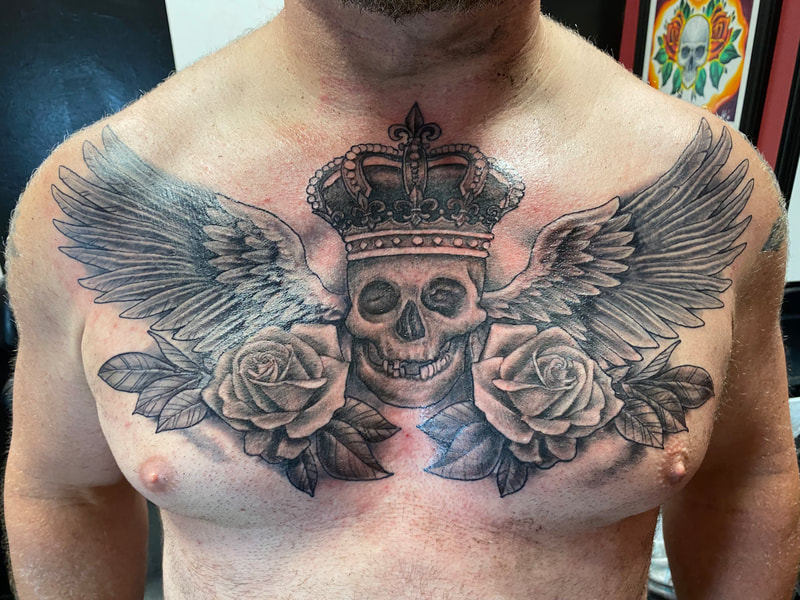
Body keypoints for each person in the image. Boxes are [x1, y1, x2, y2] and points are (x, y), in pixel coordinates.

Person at [4, 0, 799, 597]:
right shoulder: (83, 206)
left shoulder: (725, 195)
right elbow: (65, 493)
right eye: (380, 300)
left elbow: (744, 479)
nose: (414, 332)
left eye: (445, 299)